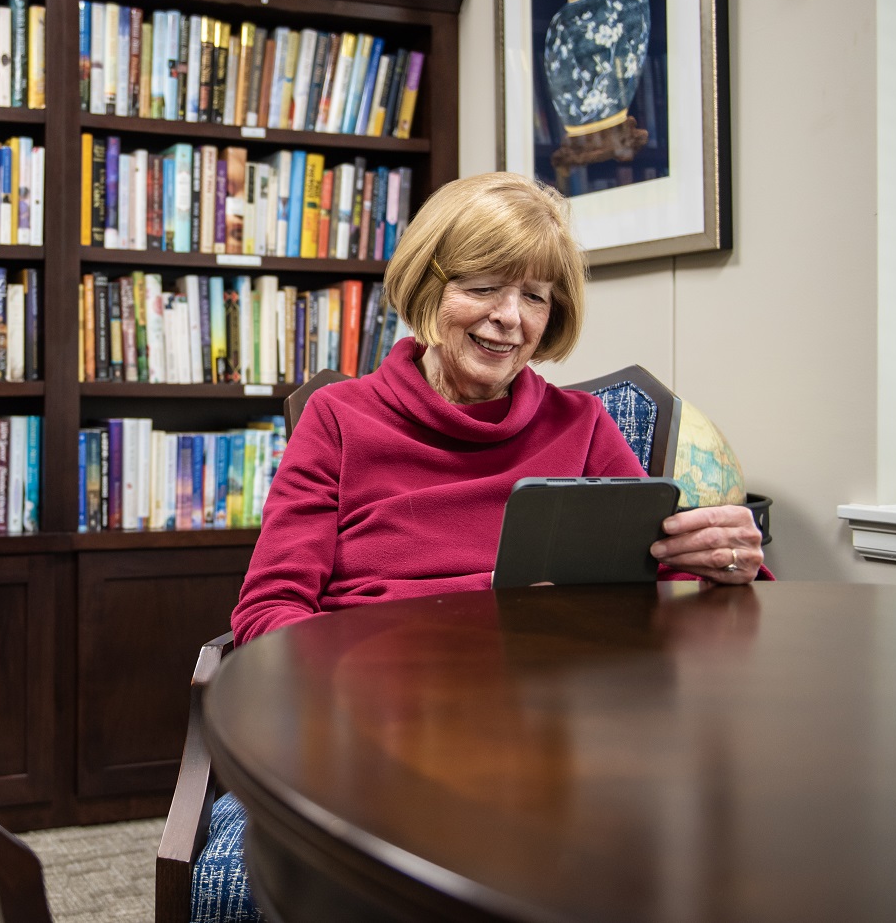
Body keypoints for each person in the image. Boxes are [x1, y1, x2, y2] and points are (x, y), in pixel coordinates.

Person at [188, 172, 766, 923]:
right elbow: (269, 610)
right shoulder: (339, 419)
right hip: (369, 734)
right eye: (484, 287)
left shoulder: (584, 425)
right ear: (430, 286)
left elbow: (670, 603)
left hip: (545, 743)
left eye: (535, 296)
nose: (508, 319)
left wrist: (726, 562)